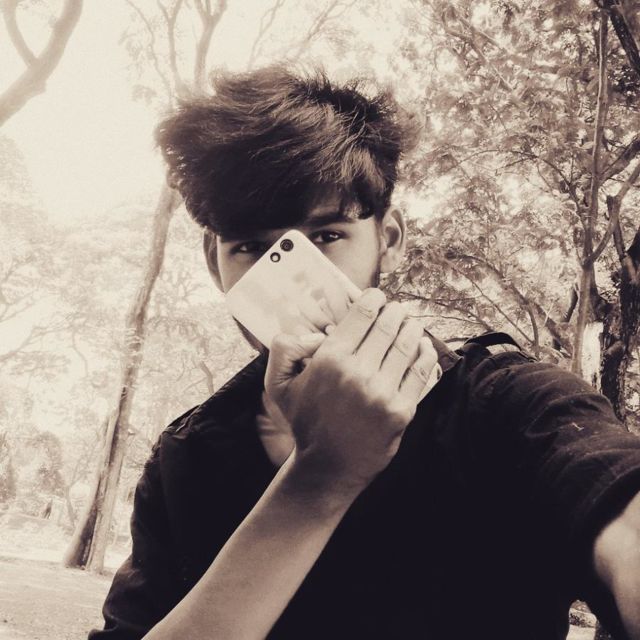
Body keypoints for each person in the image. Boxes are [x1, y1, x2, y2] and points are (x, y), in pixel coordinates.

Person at [89, 66, 640, 640]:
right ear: (214, 262)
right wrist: (320, 477)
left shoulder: (511, 407)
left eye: (327, 236)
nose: (297, 280)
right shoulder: (185, 459)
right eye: (251, 246)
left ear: (390, 239)